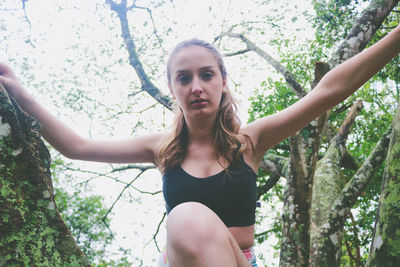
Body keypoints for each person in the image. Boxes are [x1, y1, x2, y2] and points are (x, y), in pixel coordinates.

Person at [0, 24, 399, 266]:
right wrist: (18, 91)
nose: (196, 87)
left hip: (239, 262)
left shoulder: (250, 142)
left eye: (206, 74)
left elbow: (329, 90)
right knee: (185, 220)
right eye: (183, 78)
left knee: (188, 215)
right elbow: (77, 146)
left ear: (222, 81)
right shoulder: (161, 148)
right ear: (173, 88)